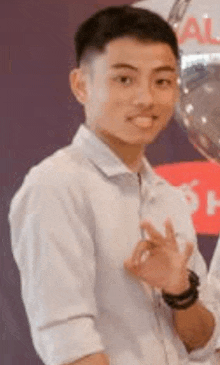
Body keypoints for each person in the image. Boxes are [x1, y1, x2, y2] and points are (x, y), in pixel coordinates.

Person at [8, 5, 219, 365]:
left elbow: (203, 343)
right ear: (81, 85)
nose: (146, 99)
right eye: (124, 79)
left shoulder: (168, 197)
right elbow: (72, 349)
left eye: (163, 81)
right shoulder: (56, 187)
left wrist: (180, 291)